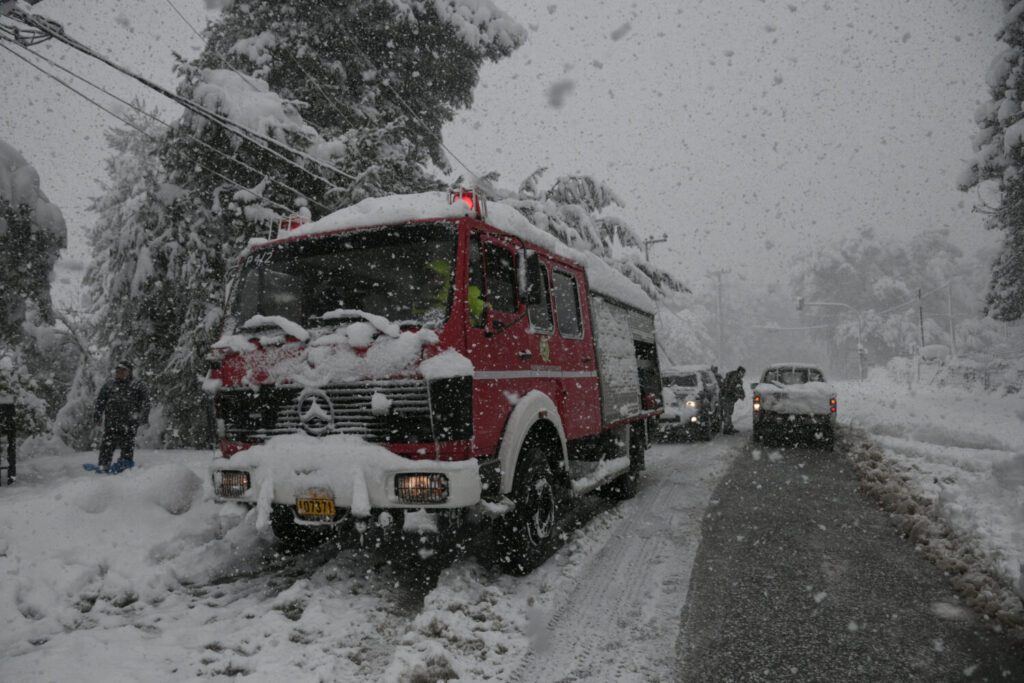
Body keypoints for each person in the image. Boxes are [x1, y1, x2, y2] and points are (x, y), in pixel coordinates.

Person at [94, 360, 150, 472]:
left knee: (128, 445)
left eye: (123, 370)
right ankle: (103, 465)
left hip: (130, 422)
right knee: (107, 445)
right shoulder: (109, 384)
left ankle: (125, 466)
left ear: (129, 371)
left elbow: (146, 403)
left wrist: (143, 418)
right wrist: (97, 416)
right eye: (118, 370)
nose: (120, 372)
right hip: (111, 422)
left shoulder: (139, 385)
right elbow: (100, 401)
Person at [720, 365, 746, 434]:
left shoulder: (736, 378)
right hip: (727, 397)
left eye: (744, 373)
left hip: (730, 398)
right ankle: (726, 429)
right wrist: (737, 394)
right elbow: (730, 389)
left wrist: (741, 395)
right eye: (742, 373)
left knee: (729, 412)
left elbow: (739, 388)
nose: (743, 375)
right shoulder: (734, 378)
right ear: (739, 372)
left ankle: (729, 427)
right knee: (727, 413)